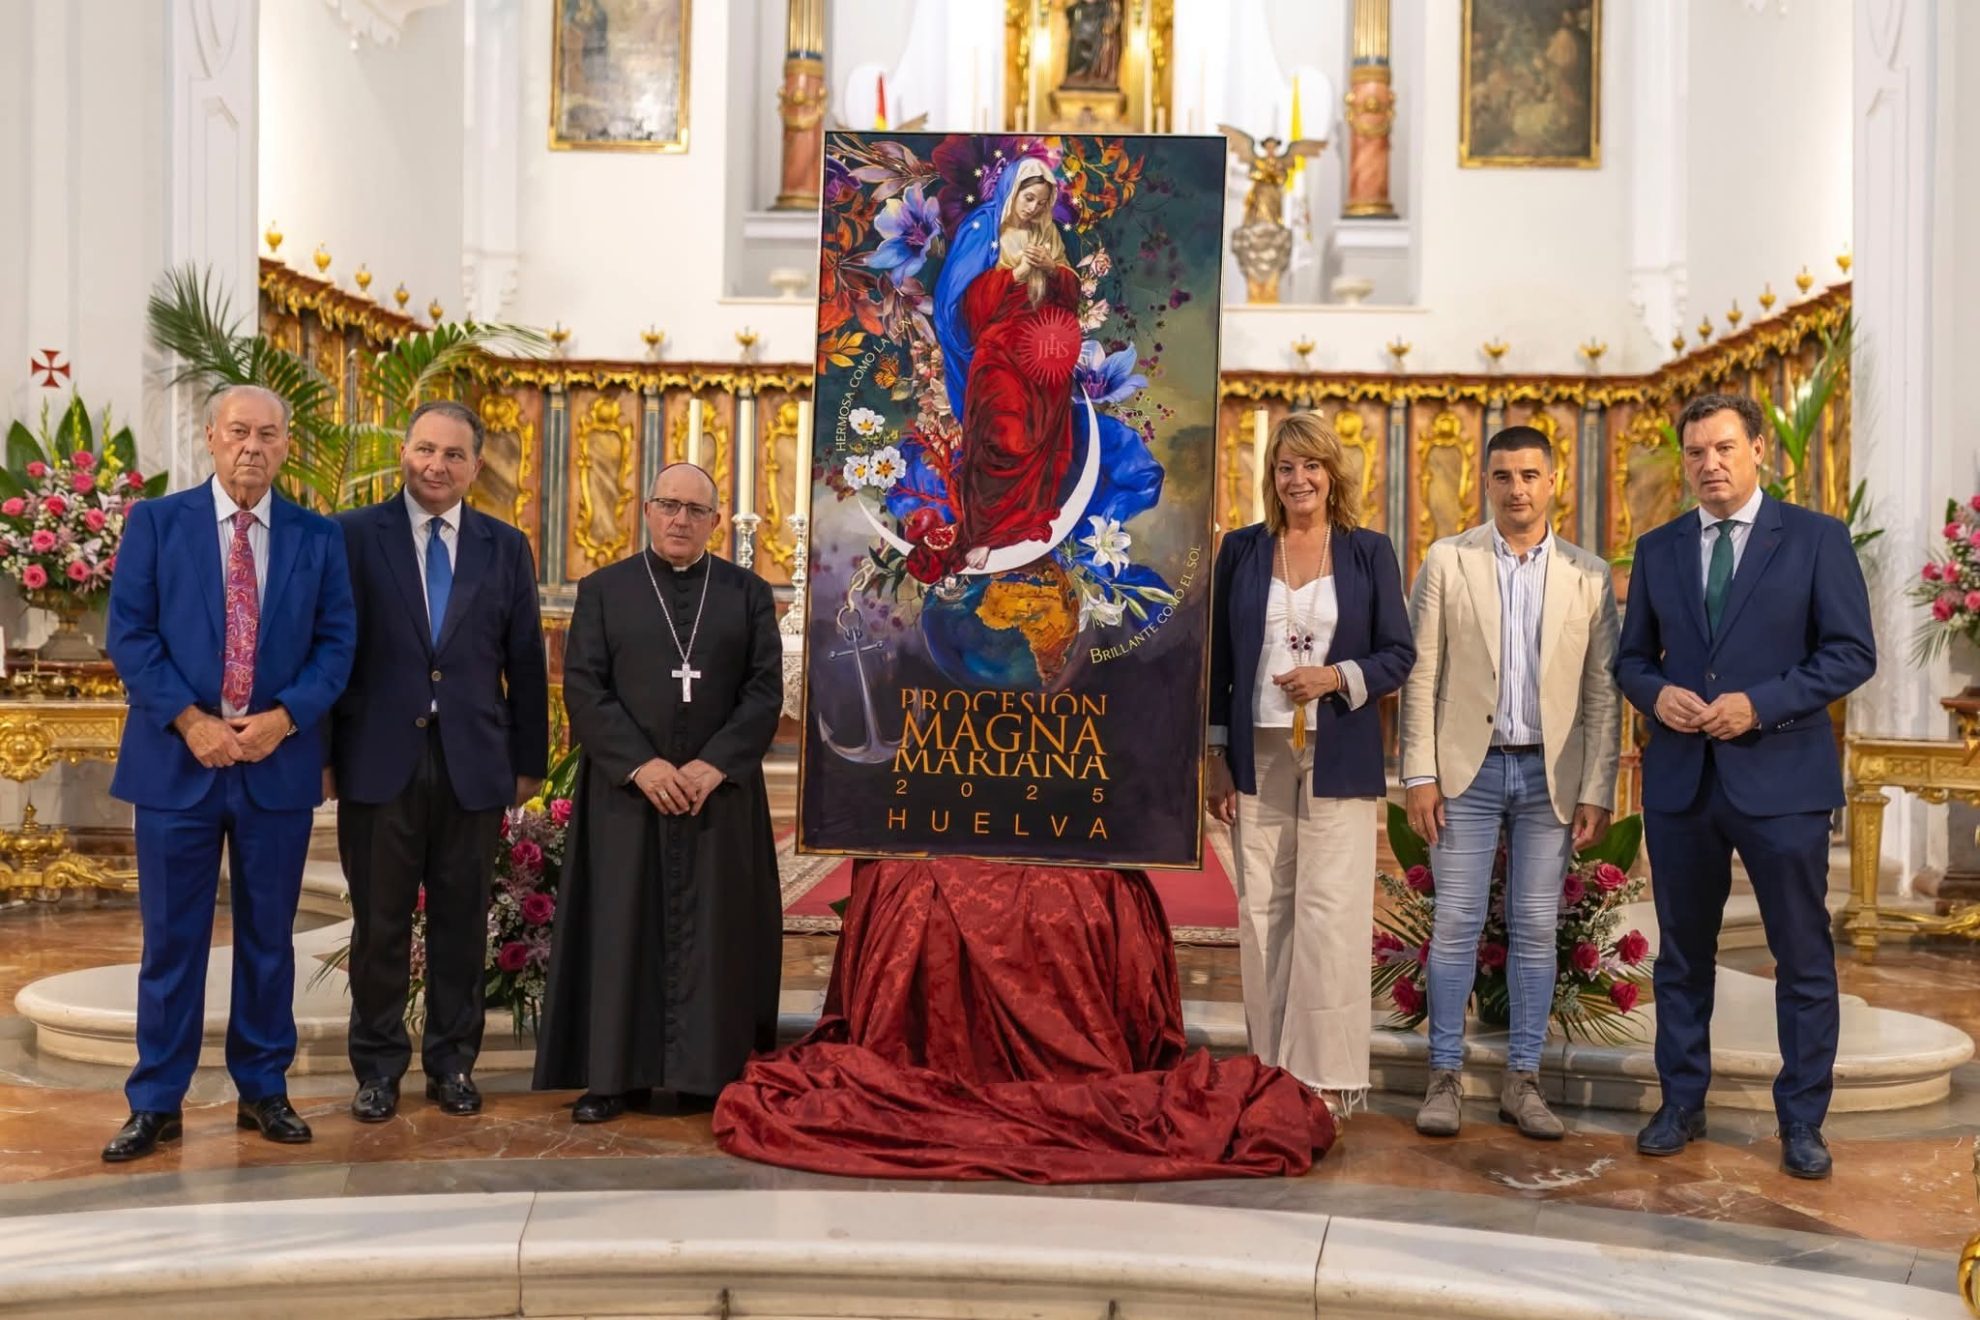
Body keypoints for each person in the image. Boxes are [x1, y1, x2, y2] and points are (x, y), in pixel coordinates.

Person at [1614, 392, 1874, 1180]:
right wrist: (1656, 695)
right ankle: (1680, 1102)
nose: (1709, 465)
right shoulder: (1659, 548)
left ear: (1759, 449)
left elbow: (1851, 653)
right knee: (1681, 957)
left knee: (1802, 956)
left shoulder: (1817, 539)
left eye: (1724, 448)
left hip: (1782, 782)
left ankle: (1803, 1120)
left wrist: (1759, 704)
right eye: (1695, 452)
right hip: (1683, 783)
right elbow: (1632, 659)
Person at [101, 384, 356, 1162]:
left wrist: (286, 718)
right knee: (171, 942)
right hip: (176, 764)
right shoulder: (156, 523)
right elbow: (130, 635)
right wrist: (191, 721)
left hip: (275, 765)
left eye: (268, 434)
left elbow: (337, 644)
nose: (252, 445)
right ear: (211, 437)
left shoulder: (318, 537)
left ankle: (263, 1088)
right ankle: (156, 1101)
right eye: (239, 430)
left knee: (269, 939)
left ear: (285, 446)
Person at [533, 462, 783, 1123]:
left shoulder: (747, 593)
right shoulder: (605, 590)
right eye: (669, 505)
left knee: (717, 934)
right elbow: (584, 688)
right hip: (627, 796)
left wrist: (714, 765)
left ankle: (709, 1075)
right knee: (620, 929)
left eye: (695, 510)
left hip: (717, 798)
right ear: (646, 510)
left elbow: (765, 692)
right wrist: (641, 765)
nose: (680, 519)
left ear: (716, 522)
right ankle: (614, 1078)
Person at [328, 400, 549, 1122]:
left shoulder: (504, 546)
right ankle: (377, 1069)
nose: (437, 465)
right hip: (377, 760)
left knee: (461, 926)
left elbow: (525, 658)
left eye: (454, 454)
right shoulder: (353, 536)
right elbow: (330, 651)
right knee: (380, 927)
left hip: (473, 764)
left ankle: (453, 1064)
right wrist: (323, 756)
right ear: (404, 452)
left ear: (475, 467)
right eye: (425, 449)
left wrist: (530, 760)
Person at [1399, 425, 1621, 1141]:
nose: (1517, 489)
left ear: (1553, 481)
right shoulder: (1448, 561)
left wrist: (1598, 787)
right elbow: (1421, 675)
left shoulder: (1589, 574)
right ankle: (1444, 1076)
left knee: (1535, 928)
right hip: (1466, 771)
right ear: (1486, 482)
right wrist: (1420, 774)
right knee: (1455, 925)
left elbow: (1602, 692)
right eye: (1503, 476)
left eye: (1530, 475)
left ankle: (1523, 1080)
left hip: (1549, 773)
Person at [1206, 412, 1415, 1119]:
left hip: (1338, 749)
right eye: (1285, 467)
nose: (1298, 479)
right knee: (1263, 907)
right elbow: (1219, 660)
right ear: (1271, 477)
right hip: (1258, 750)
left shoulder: (1367, 551)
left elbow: (1398, 654)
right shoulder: (1241, 550)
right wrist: (1216, 755)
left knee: (1330, 910)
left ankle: (1325, 1077)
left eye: (1311, 466)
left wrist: (1335, 678)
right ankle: (1270, 1067)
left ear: (1332, 473)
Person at [933, 158, 1081, 569]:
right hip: (998, 353)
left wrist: (1053, 271)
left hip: (1041, 358)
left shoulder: (1048, 236)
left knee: (1039, 439)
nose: (1033, 208)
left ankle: (1021, 526)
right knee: (1001, 436)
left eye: (1042, 202)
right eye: (1028, 198)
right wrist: (1017, 274)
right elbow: (963, 302)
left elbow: (1070, 298)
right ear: (1012, 192)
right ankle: (984, 533)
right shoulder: (986, 230)